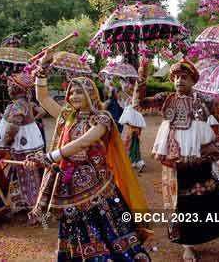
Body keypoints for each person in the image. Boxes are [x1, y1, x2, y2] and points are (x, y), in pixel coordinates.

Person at [26, 53, 151, 262]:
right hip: (71, 187)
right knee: (75, 227)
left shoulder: (102, 118)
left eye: (79, 92)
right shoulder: (68, 116)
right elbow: (44, 98)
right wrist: (41, 71)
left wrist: (51, 156)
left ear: (91, 94)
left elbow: (84, 141)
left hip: (98, 187)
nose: (74, 96)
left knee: (107, 226)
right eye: (71, 92)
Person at [134, 58, 219, 262]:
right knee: (182, 202)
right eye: (175, 77)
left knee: (215, 195)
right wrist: (142, 74)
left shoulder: (206, 101)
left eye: (184, 77)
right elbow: (138, 105)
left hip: (203, 158)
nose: (178, 81)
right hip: (175, 161)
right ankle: (188, 245)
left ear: (193, 80)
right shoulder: (165, 99)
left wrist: (217, 145)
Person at [0, 72, 44, 215]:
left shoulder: (18, 105)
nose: (8, 90)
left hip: (23, 147)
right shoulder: (24, 103)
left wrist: (5, 142)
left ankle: (34, 210)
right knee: (27, 175)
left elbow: (13, 126)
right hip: (27, 145)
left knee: (27, 176)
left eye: (10, 87)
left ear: (16, 89)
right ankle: (27, 205)